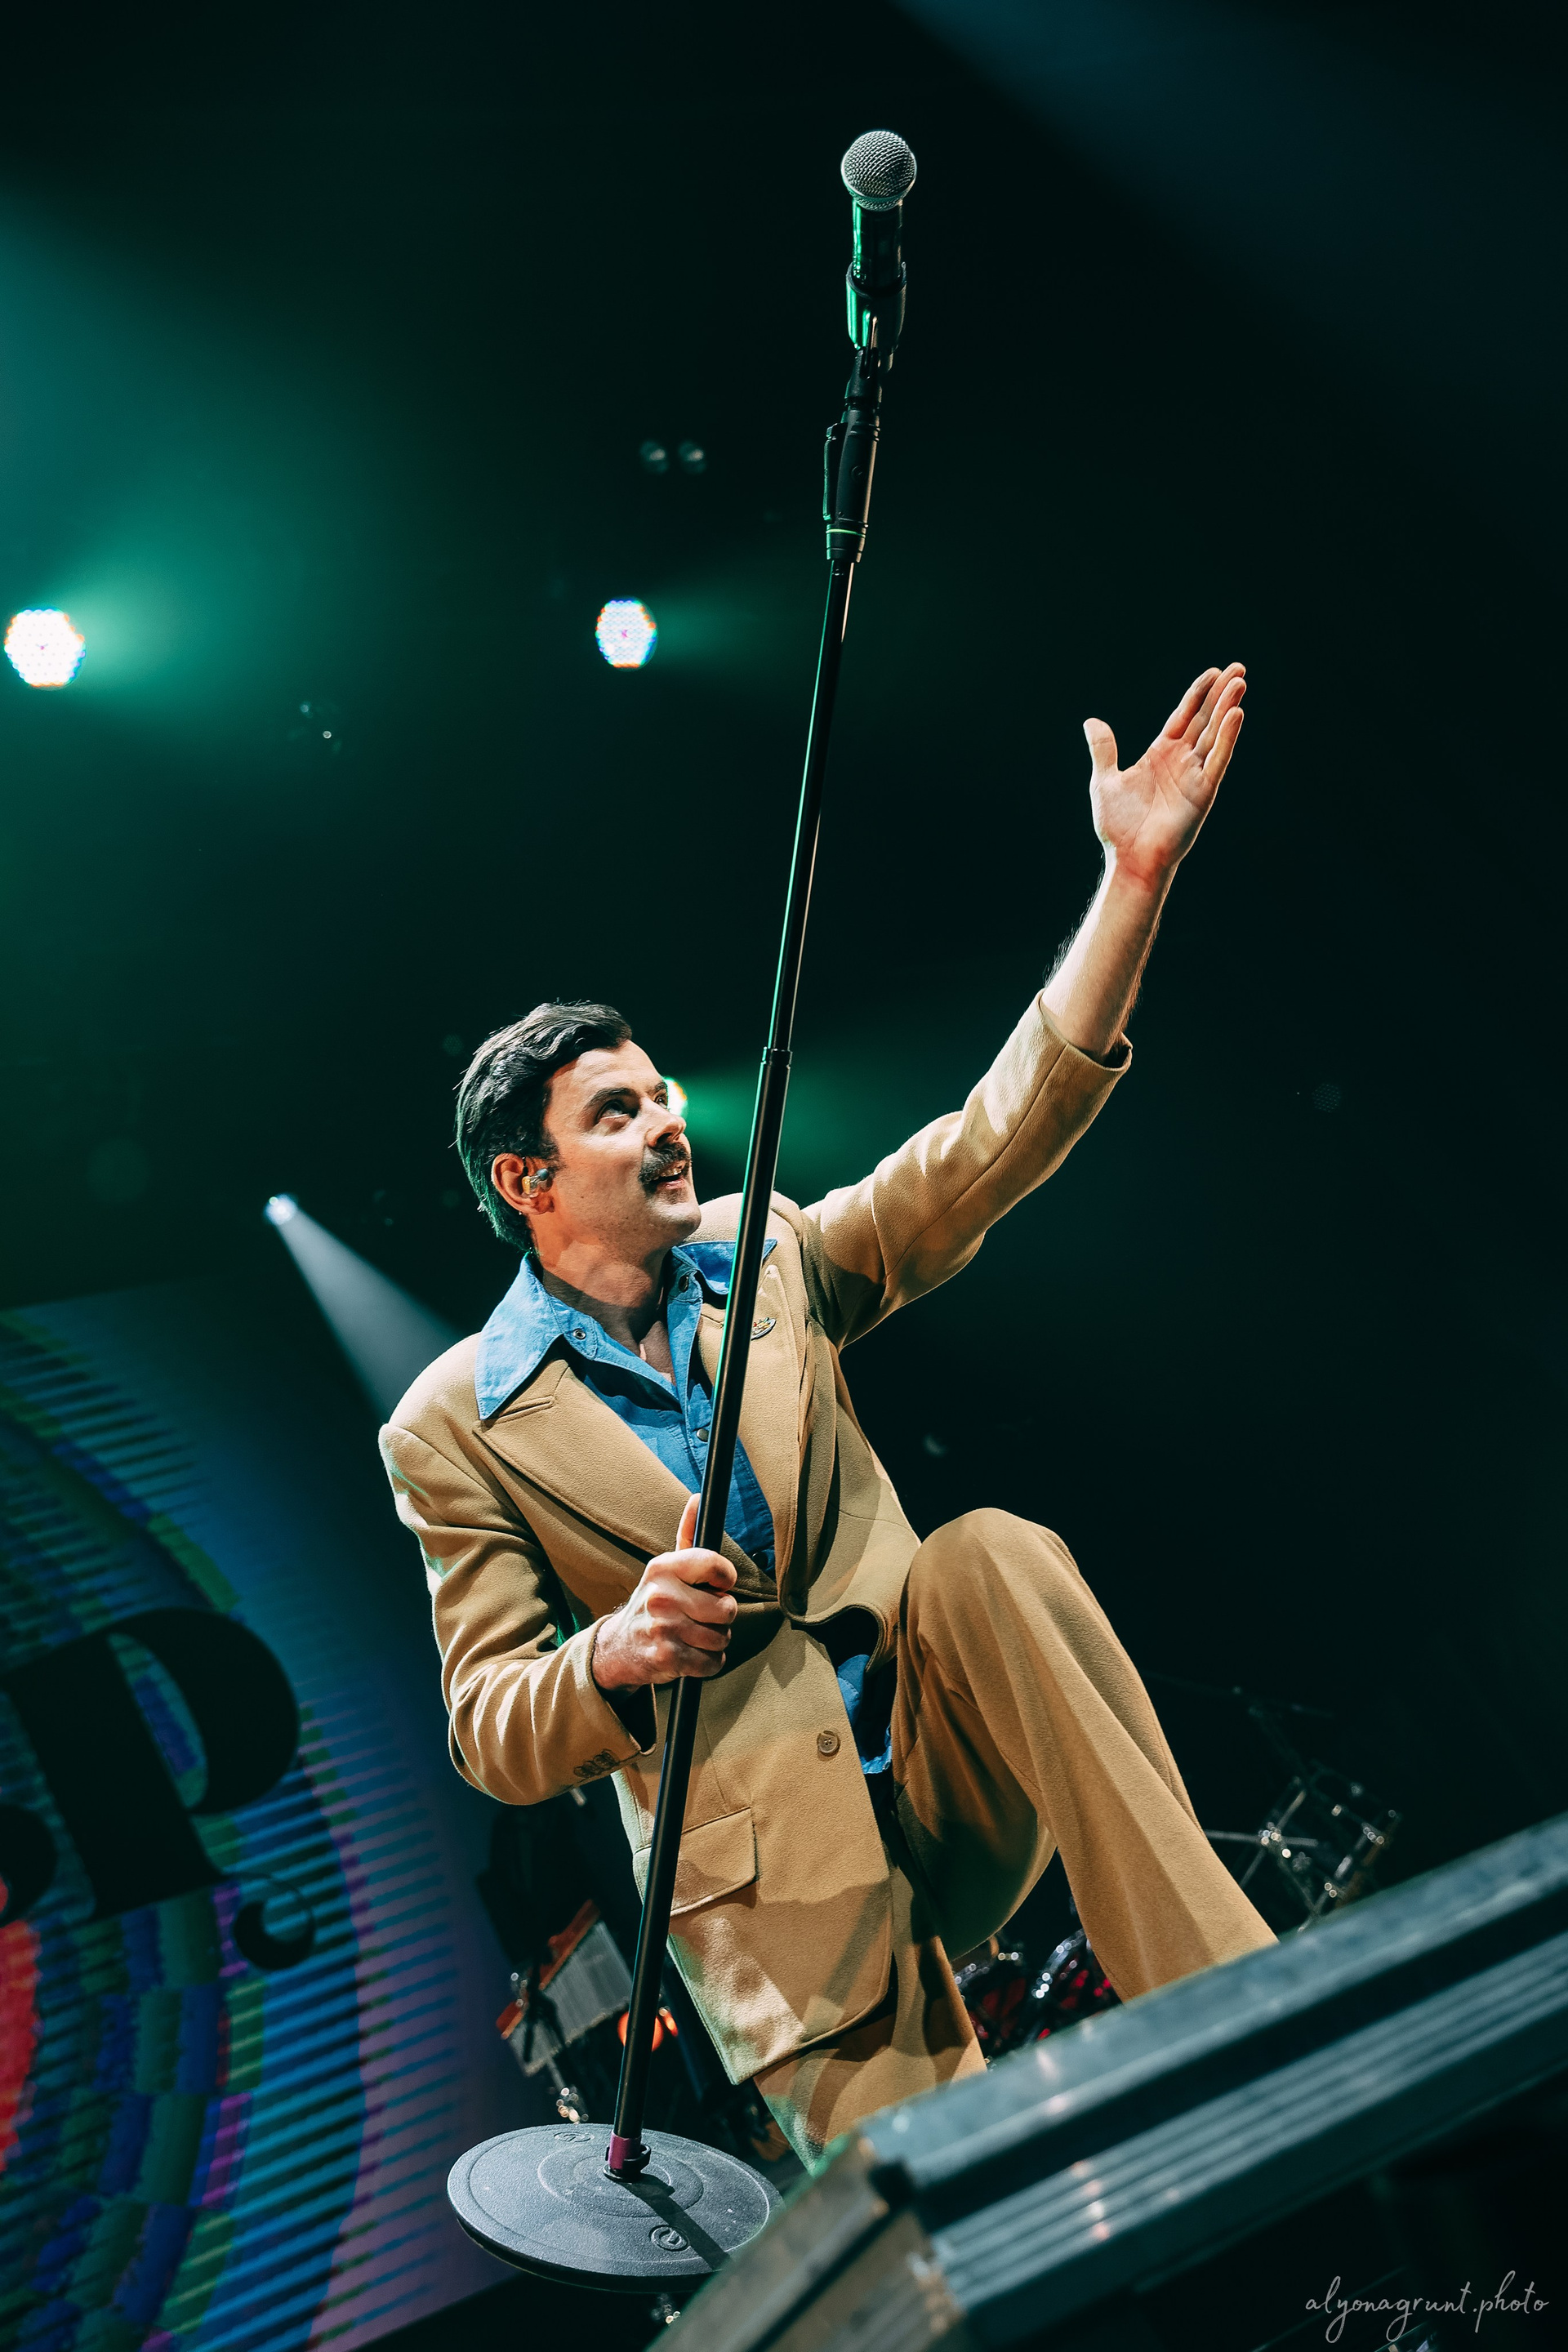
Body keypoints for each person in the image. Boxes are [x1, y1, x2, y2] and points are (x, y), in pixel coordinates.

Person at [380, 662, 1272, 2167]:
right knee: (972, 2240)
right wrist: (616, 1651)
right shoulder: (455, 1421)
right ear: (528, 1183)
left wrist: (1133, 881)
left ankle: (1250, 2009)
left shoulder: (768, 1253)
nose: (669, 1122)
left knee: (989, 1554)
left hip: (941, 1764)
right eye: (618, 1112)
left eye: (664, 1094)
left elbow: (983, 1148)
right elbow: (490, 1728)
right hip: (783, 1907)